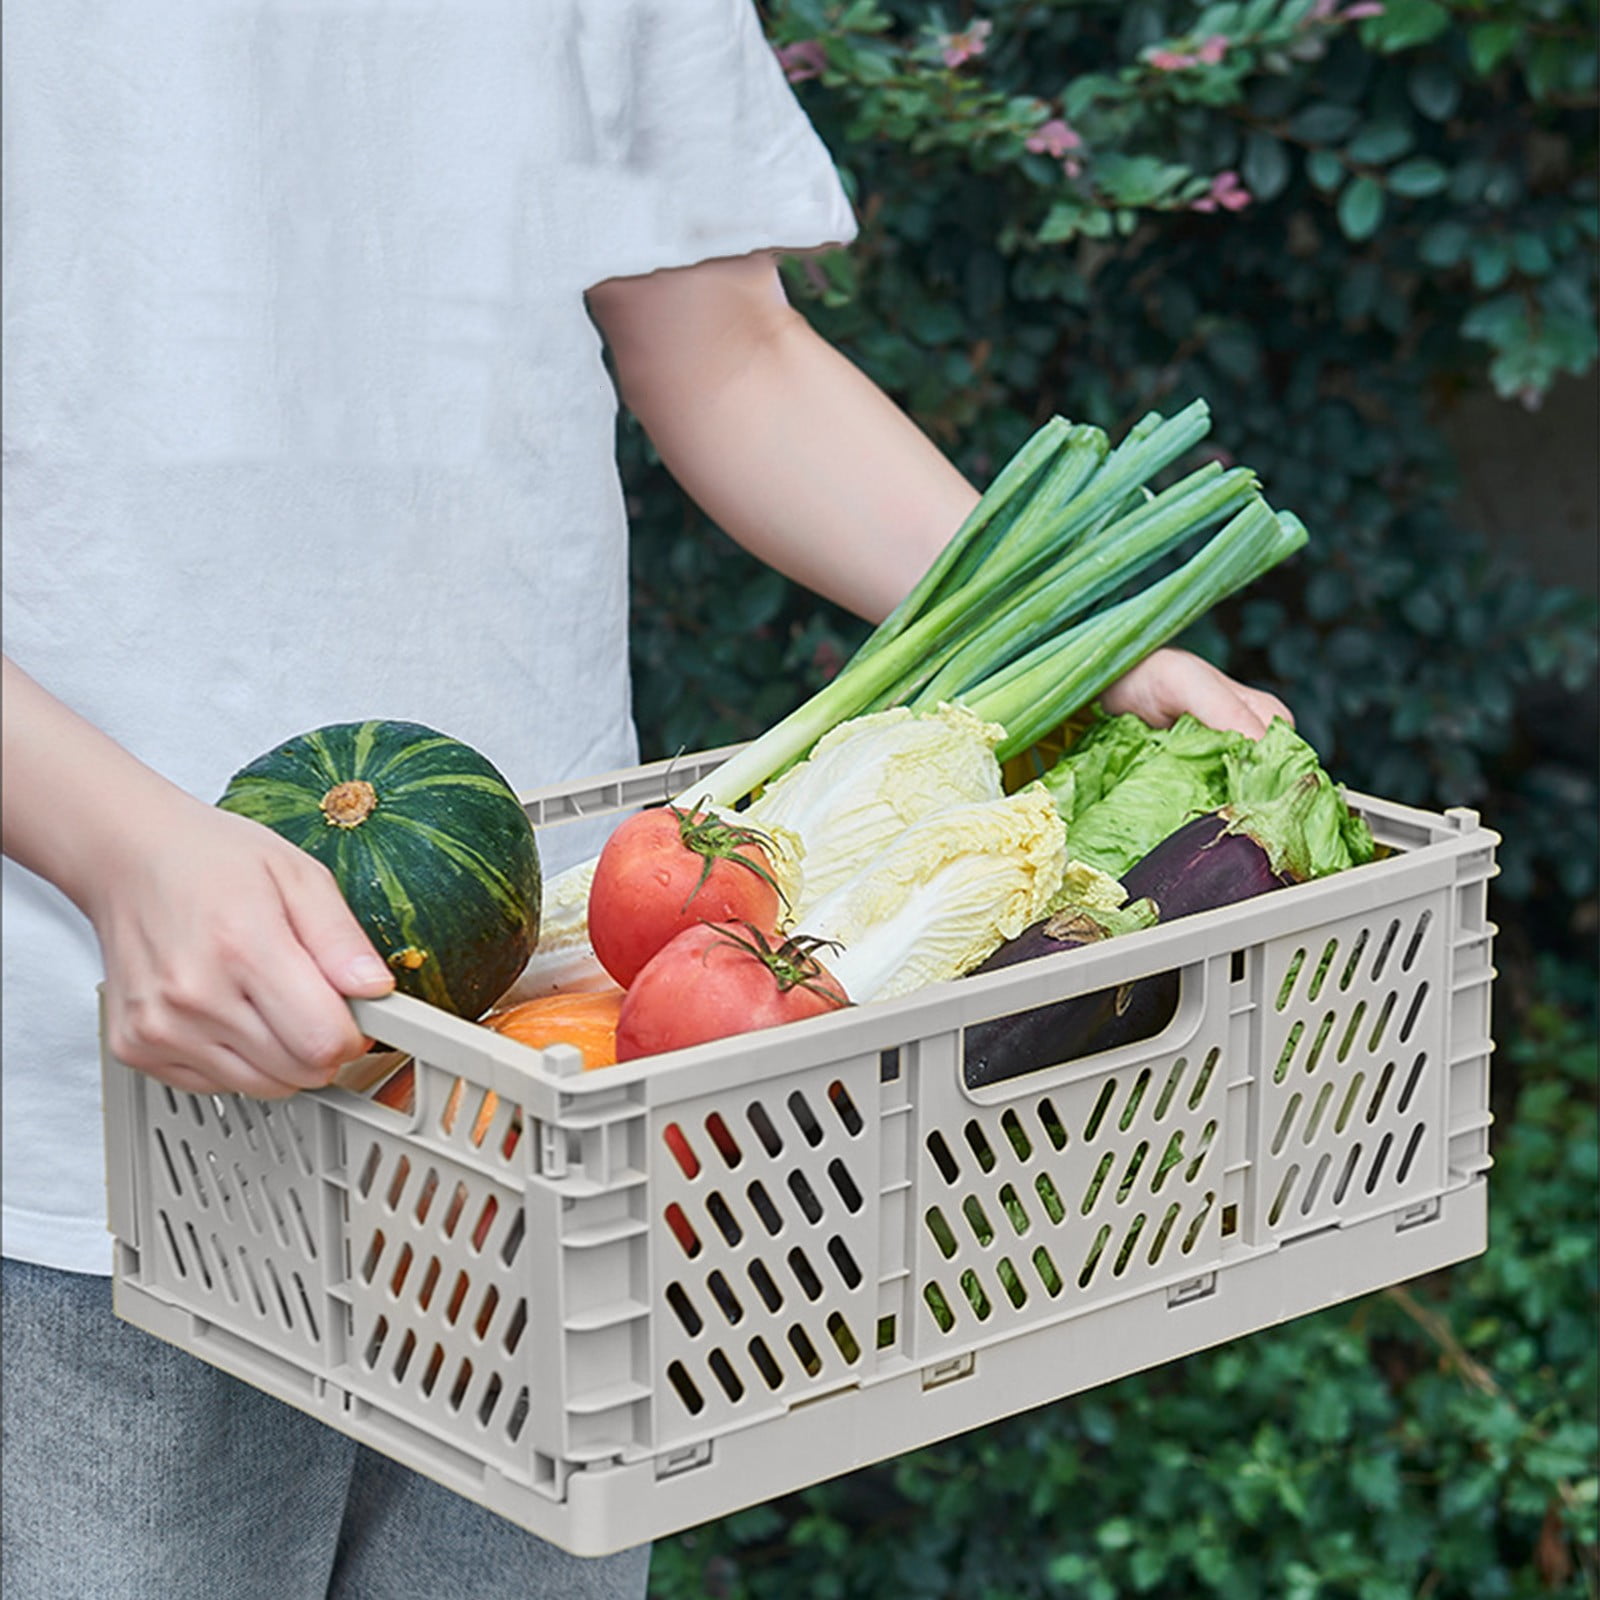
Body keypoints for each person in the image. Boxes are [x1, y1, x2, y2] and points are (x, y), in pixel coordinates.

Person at [0, 3, 1291, 1596]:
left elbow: (727, 346)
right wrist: (113, 846)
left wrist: (1065, 647)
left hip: (576, 1083)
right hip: (96, 1109)